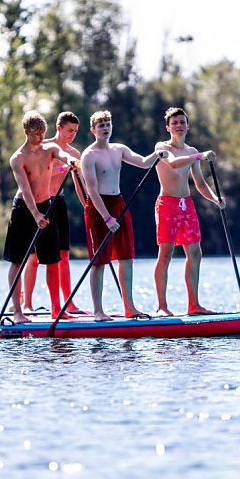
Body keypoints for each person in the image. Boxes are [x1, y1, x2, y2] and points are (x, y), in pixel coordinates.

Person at [81, 110, 167, 321]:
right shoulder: (88, 155)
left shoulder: (119, 149)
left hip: (119, 203)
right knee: (99, 261)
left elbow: (144, 162)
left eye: (108, 124)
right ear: (93, 130)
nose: (105, 128)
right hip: (98, 208)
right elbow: (91, 189)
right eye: (100, 125)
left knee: (126, 257)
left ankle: (129, 307)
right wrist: (107, 218)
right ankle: (98, 311)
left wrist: (157, 154)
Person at [3, 110, 78, 324]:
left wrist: (71, 161)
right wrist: (35, 214)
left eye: (43, 133)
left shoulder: (51, 149)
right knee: (18, 261)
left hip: (47, 206)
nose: (41, 137)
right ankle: (18, 311)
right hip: (24, 210)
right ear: (26, 132)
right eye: (37, 134)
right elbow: (25, 190)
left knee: (52, 260)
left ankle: (57, 310)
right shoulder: (17, 158)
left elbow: (64, 155)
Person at [153, 107, 225, 316]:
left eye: (182, 122)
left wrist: (215, 199)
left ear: (188, 126)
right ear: (168, 127)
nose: (179, 125)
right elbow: (173, 164)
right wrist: (200, 156)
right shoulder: (162, 147)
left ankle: (194, 306)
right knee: (165, 253)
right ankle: (162, 307)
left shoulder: (192, 152)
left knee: (195, 253)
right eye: (174, 122)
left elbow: (200, 184)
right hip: (167, 204)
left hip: (187, 205)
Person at [22, 111, 85, 314]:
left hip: (58, 203)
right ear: (58, 128)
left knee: (63, 255)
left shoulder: (75, 154)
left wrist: (87, 206)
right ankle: (27, 304)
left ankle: (68, 302)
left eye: (75, 131)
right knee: (33, 257)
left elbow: (80, 184)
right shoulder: (44, 147)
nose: (72, 135)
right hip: (39, 205)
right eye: (69, 131)